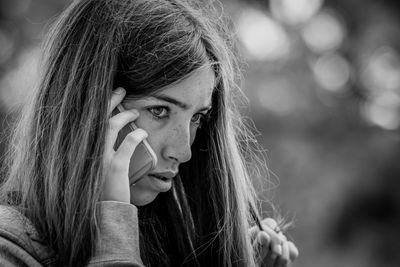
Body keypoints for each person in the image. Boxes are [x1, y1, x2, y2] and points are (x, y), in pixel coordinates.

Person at [0, 0, 298, 266]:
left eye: (197, 117)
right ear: (93, 111)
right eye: (159, 111)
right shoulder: (9, 248)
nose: (183, 151)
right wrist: (114, 233)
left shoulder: (172, 246)